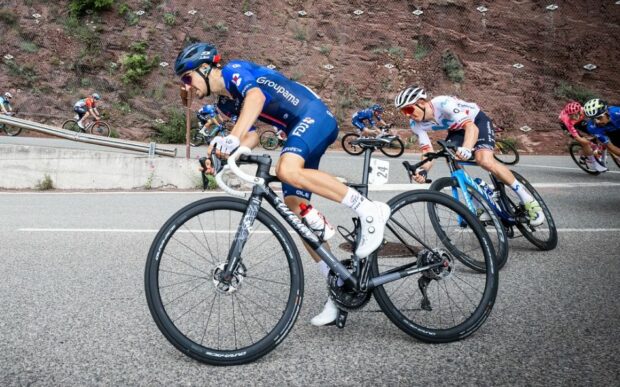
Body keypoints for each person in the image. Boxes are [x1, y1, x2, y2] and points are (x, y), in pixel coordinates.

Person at [175, 42, 390, 326]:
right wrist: (224, 154)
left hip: (314, 116)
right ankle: (338, 284)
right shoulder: (225, 103)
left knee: (286, 169)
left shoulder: (232, 71)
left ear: (204, 68)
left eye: (187, 79)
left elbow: (255, 99)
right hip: (297, 129)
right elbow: (249, 136)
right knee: (294, 211)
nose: (186, 87)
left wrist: (232, 138)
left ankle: (368, 209)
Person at [394, 86, 545, 226]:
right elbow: (427, 151)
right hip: (456, 130)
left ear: (421, 102)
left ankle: (529, 201)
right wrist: (424, 170)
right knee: (451, 158)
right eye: (403, 112)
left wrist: (466, 148)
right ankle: (480, 198)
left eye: (408, 109)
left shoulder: (443, 103)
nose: (408, 115)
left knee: (483, 160)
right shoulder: (416, 125)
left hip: (475, 121)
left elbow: (470, 127)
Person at [559, 101, 606, 172]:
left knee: (594, 133)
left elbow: (594, 119)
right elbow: (578, 137)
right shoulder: (567, 119)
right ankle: (595, 163)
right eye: (571, 115)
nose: (573, 117)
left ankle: (584, 156)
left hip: (579, 121)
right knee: (584, 143)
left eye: (575, 115)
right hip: (566, 125)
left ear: (580, 111)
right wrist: (586, 141)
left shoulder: (584, 110)